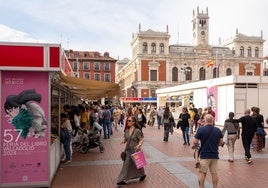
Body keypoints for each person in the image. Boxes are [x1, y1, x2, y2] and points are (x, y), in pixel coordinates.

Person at [193, 114, 224, 188]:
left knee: (202, 172)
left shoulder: (201, 129)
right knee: (214, 172)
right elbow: (221, 143)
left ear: (205, 120)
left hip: (204, 155)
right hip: (214, 154)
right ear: (213, 120)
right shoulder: (217, 130)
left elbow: (195, 142)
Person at [117, 116, 146, 186]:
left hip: (135, 150)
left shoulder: (137, 131)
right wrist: (123, 141)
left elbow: (141, 139)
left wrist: (139, 145)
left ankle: (142, 174)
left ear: (133, 122)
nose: (128, 122)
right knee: (126, 164)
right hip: (128, 150)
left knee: (138, 164)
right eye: (127, 121)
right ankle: (121, 180)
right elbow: (126, 138)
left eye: (130, 121)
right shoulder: (127, 130)